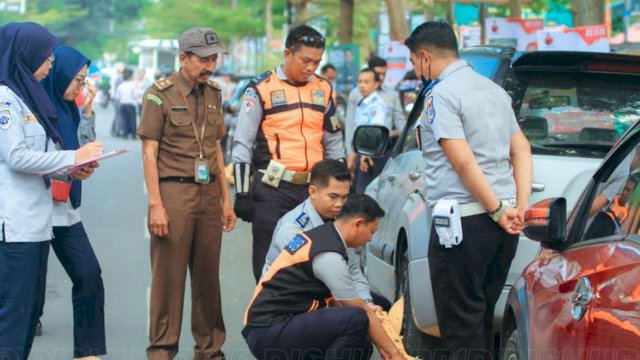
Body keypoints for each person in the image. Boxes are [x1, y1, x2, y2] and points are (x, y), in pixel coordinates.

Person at [405, 21, 532, 359]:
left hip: (462, 224)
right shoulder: (495, 92)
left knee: (460, 326)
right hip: (503, 225)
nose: (417, 70)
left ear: (425, 56)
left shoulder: (442, 93)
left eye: (415, 63)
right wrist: (516, 206)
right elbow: (522, 149)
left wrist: (496, 209)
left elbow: (462, 162)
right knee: (480, 316)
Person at [0, 22, 103, 359]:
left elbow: (53, 152)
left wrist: (75, 165)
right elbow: (17, 155)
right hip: (22, 218)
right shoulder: (10, 99)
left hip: (50, 209)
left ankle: (88, 352)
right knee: (20, 310)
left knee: (32, 306)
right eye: (45, 59)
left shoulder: (41, 103)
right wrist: (73, 157)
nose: (49, 65)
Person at [137, 27, 236, 360]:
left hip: (208, 194)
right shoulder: (158, 95)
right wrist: (156, 205)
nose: (210, 66)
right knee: (169, 279)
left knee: (208, 279)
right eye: (204, 60)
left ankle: (210, 350)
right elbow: (149, 153)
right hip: (173, 192)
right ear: (183, 58)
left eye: (214, 59)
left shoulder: (215, 93)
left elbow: (216, 149)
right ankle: (162, 350)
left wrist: (226, 200)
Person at [232, 25, 345, 282]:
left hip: (313, 192)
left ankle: (309, 320)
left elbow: (335, 142)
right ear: (287, 53)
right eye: (305, 60)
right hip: (273, 190)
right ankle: (266, 319)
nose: (310, 68)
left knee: (315, 262)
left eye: (316, 62)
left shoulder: (324, 89)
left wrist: (341, 190)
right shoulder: (261, 88)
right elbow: (242, 143)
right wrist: (241, 193)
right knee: (269, 267)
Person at [243, 194, 407, 360]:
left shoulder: (322, 236)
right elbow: (359, 310)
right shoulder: (328, 254)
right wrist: (394, 353)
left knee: (361, 344)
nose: (371, 238)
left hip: (276, 326)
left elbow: (334, 301)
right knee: (357, 318)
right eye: (371, 231)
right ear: (357, 224)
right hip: (269, 331)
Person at [40, 45, 106, 359]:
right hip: (34, 209)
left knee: (89, 274)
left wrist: (88, 110)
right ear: (60, 73)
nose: (80, 87)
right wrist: (70, 163)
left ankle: (88, 352)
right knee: (26, 292)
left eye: (83, 81)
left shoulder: (69, 108)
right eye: (77, 81)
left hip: (63, 207)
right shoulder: (36, 107)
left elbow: (82, 146)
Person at [262, 159, 391, 310]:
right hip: (288, 305)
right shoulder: (293, 228)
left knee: (382, 305)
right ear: (313, 192)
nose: (340, 204)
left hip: (326, 290)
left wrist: (367, 301)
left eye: (344, 197)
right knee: (357, 318)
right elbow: (320, 276)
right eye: (333, 196)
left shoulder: (339, 219)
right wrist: (362, 308)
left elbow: (352, 268)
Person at [345, 57, 405, 153]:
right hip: (359, 148)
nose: (381, 77)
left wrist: (405, 146)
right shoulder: (355, 94)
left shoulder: (392, 95)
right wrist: (349, 152)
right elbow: (350, 123)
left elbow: (400, 123)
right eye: (378, 74)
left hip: (384, 149)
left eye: (383, 74)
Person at [346, 68, 389, 194]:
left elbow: (376, 129)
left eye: (366, 82)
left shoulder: (377, 105)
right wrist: (353, 157)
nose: (362, 85)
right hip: (362, 151)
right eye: (360, 82)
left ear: (376, 84)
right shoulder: (363, 103)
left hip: (371, 155)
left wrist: (366, 155)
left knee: (366, 194)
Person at [114, 68, 138, 138]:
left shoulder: (121, 86)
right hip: (130, 103)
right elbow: (135, 95)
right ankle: (133, 134)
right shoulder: (133, 85)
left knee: (124, 119)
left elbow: (117, 97)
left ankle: (125, 133)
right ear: (130, 76)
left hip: (122, 103)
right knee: (132, 119)